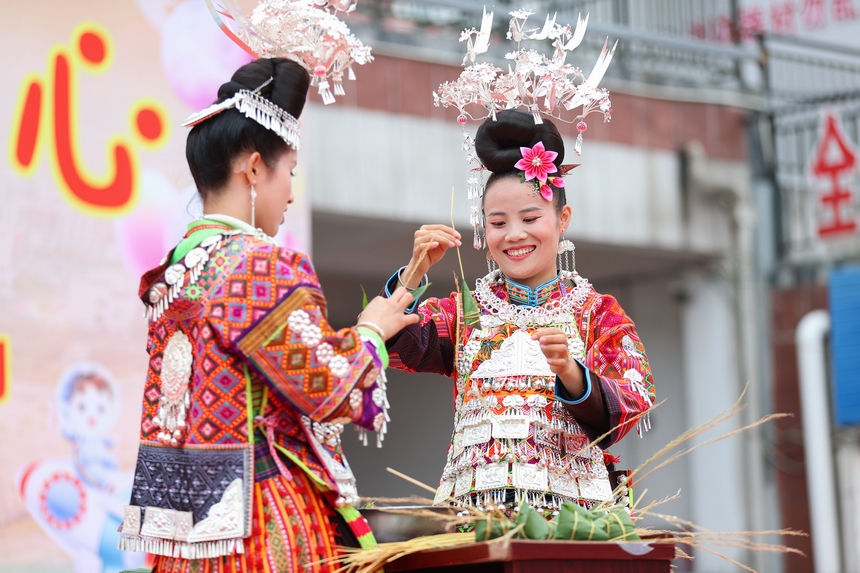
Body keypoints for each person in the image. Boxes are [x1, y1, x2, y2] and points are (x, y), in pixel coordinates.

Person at [118, 57, 418, 571]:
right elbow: (329, 387)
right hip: (260, 525)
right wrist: (372, 329)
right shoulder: (257, 265)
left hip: (186, 534)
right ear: (255, 167)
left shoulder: (175, 273)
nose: (291, 192)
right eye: (290, 172)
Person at [382, 110, 655, 513]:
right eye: (497, 222)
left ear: (562, 219)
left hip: (572, 518)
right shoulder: (466, 313)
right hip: (473, 515)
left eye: (530, 218)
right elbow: (387, 342)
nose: (514, 235)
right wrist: (413, 272)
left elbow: (635, 399)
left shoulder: (597, 313)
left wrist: (573, 375)